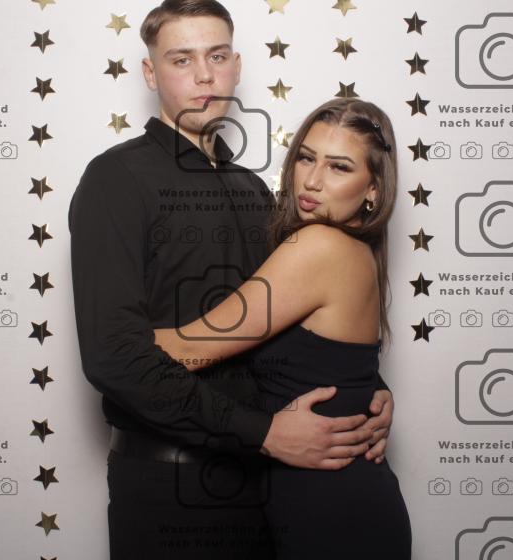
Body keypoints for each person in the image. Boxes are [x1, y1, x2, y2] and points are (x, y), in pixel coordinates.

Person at [69, 1, 395, 558]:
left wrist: (365, 391)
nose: (204, 76)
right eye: (182, 59)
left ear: (236, 67)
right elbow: (112, 360)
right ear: (150, 73)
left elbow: (296, 321)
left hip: (274, 484)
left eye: (217, 57)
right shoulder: (115, 179)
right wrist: (261, 432)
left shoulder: (255, 191)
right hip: (172, 486)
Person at [153, 97, 412, 558]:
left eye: (339, 167)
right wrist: (376, 387)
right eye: (307, 158)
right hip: (326, 502)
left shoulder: (320, 245)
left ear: (373, 189)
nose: (312, 180)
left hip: (336, 514)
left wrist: (107, 333)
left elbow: (188, 350)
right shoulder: (355, 251)